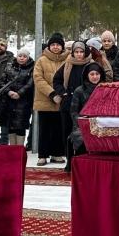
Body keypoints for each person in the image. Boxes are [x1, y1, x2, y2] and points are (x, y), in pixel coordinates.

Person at [53, 41, 110, 170]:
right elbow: (56, 80)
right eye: (76, 52)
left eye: (81, 52)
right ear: (73, 52)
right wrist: (64, 93)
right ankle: (70, 161)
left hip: (87, 105)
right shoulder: (67, 64)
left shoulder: (91, 65)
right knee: (68, 134)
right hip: (69, 104)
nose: (79, 55)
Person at [32, 34, 70, 166]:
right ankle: (42, 155)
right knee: (44, 129)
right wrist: (52, 93)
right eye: (53, 44)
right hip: (45, 99)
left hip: (62, 100)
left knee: (59, 128)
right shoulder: (41, 60)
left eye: (58, 45)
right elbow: (38, 79)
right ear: (49, 46)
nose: (55, 47)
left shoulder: (67, 60)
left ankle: (57, 154)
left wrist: (62, 94)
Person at [68, 61, 106, 168]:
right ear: (87, 75)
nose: (95, 77)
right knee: (80, 138)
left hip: (102, 122)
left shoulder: (106, 89)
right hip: (82, 123)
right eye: (92, 74)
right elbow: (74, 111)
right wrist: (81, 122)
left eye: (97, 74)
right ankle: (81, 166)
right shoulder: (79, 91)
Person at [1, 49, 34, 146]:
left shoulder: (32, 67)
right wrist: (9, 92)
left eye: (24, 56)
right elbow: (2, 81)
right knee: (10, 125)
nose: (22, 58)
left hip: (23, 101)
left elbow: (30, 84)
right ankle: (12, 148)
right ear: (16, 56)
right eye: (20, 56)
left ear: (27, 58)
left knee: (21, 126)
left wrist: (19, 93)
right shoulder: (9, 66)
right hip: (9, 100)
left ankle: (19, 149)